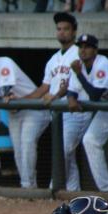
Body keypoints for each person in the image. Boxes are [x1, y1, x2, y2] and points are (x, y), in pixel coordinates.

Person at [0, 43, 51, 189]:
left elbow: (4, 90)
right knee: (18, 151)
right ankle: (27, 186)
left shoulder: (5, 63)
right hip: (15, 113)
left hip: (33, 109)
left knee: (27, 145)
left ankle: (28, 187)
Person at [26, 12, 81, 191]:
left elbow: (72, 83)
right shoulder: (53, 59)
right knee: (68, 156)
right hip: (58, 114)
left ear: (74, 31)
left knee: (63, 152)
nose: (62, 32)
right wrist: (21, 99)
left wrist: (56, 95)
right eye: (59, 29)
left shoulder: (79, 53)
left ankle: (53, 189)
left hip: (75, 110)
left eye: (66, 29)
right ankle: (74, 192)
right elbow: (44, 88)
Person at [67, 35, 108, 192]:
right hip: (107, 109)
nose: (83, 50)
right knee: (90, 140)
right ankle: (106, 189)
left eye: (87, 46)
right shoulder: (80, 66)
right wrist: (71, 98)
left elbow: (95, 96)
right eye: (80, 47)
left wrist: (79, 74)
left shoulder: (103, 63)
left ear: (95, 50)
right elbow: (72, 90)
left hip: (104, 104)